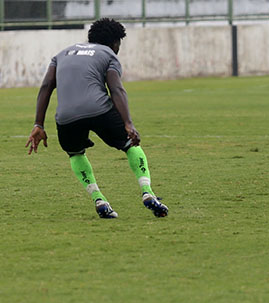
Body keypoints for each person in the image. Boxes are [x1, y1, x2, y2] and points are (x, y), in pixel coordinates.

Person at [26, 18, 168, 220]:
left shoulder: (61, 54)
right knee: (131, 145)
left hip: (66, 116)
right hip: (99, 109)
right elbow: (116, 89)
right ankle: (147, 192)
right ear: (115, 43)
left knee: (75, 154)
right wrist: (128, 123)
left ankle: (99, 199)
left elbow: (46, 86)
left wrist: (38, 124)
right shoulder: (108, 54)